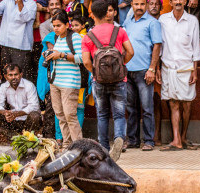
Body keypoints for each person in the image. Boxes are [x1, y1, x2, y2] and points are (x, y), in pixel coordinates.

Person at [82, 0, 134, 153]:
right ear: (106, 13)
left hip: (98, 81)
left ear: (92, 15)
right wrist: (120, 66)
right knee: (119, 114)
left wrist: (95, 72)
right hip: (119, 80)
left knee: (102, 114)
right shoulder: (119, 31)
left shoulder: (88, 36)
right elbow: (130, 52)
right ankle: (119, 138)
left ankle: (103, 147)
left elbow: (86, 61)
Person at [157, 0, 200, 151]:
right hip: (168, 67)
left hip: (186, 68)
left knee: (186, 104)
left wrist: (195, 70)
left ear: (185, 2)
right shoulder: (163, 20)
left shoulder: (192, 21)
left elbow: (196, 46)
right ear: (170, 2)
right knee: (173, 103)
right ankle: (176, 140)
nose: (178, 2)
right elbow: (159, 45)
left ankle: (183, 136)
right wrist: (157, 68)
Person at [123, 0, 162, 151]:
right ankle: (132, 140)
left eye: (141, 4)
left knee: (147, 108)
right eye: (136, 4)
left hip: (145, 71)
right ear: (131, 5)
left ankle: (148, 141)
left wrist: (152, 68)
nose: (139, 7)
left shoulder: (153, 23)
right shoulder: (127, 21)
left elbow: (157, 45)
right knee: (131, 108)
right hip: (128, 70)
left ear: (145, 5)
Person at [44, 10, 83, 148]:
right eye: (54, 25)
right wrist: (49, 54)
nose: (55, 28)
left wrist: (61, 55)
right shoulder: (56, 38)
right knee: (60, 115)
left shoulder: (76, 37)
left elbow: (82, 58)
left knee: (70, 115)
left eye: (59, 25)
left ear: (67, 24)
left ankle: (79, 147)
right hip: (56, 82)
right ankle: (67, 145)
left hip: (69, 82)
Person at [0, 63, 41, 138]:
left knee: (35, 116)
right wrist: (5, 113)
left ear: (21, 74)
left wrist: (16, 114)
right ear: (5, 76)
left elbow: (34, 106)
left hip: (26, 120)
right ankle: (13, 137)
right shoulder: (4, 87)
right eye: (10, 75)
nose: (13, 77)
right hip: (11, 120)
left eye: (16, 74)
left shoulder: (29, 85)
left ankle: (27, 138)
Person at [0, 0, 37, 78]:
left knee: (20, 77)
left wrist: (19, 2)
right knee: (6, 76)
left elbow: (24, 18)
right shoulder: (7, 1)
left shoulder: (31, 3)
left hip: (21, 48)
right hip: (5, 45)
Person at [148, 0, 166, 146]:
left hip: (162, 65)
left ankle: (157, 135)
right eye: (151, 3)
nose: (153, 6)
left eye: (156, 3)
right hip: (144, 66)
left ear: (161, 6)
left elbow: (160, 46)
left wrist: (158, 67)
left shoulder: (164, 21)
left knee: (158, 102)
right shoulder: (141, 21)